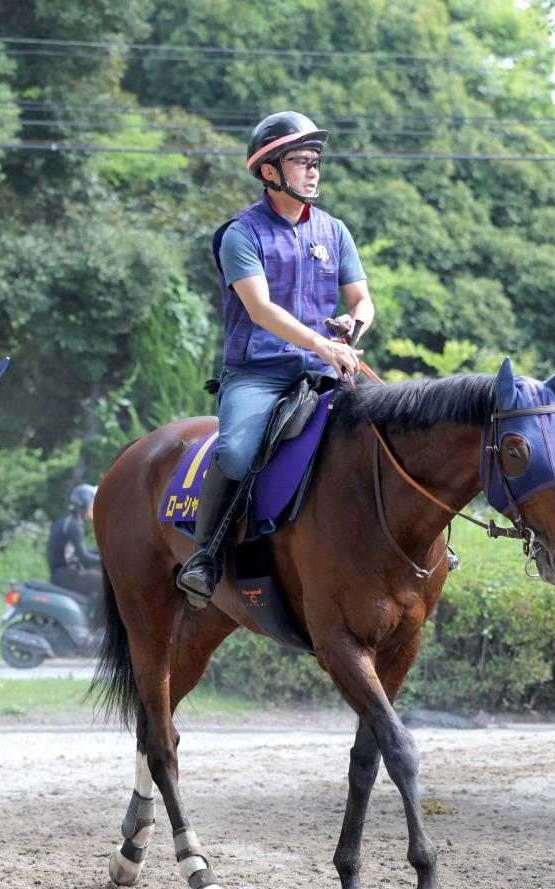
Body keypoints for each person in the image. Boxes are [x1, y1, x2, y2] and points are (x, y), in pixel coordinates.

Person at [179, 110, 374, 602]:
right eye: (302, 161)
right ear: (270, 171)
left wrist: (354, 325)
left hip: (325, 368)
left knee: (389, 425)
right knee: (238, 451)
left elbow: (362, 300)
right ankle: (205, 556)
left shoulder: (335, 231)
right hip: (259, 375)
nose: (313, 170)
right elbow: (261, 309)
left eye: (316, 161)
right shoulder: (240, 235)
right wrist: (320, 343)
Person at [47, 483, 102, 607]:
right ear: (82, 505)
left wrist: (100, 552)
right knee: (105, 584)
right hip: (66, 574)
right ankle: (98, 623)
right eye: (92, 503)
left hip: (63, 573)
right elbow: (84, 557)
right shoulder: (73, 525)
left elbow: (79, 550)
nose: (94, 506)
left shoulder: (70, 520)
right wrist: (105, 560)